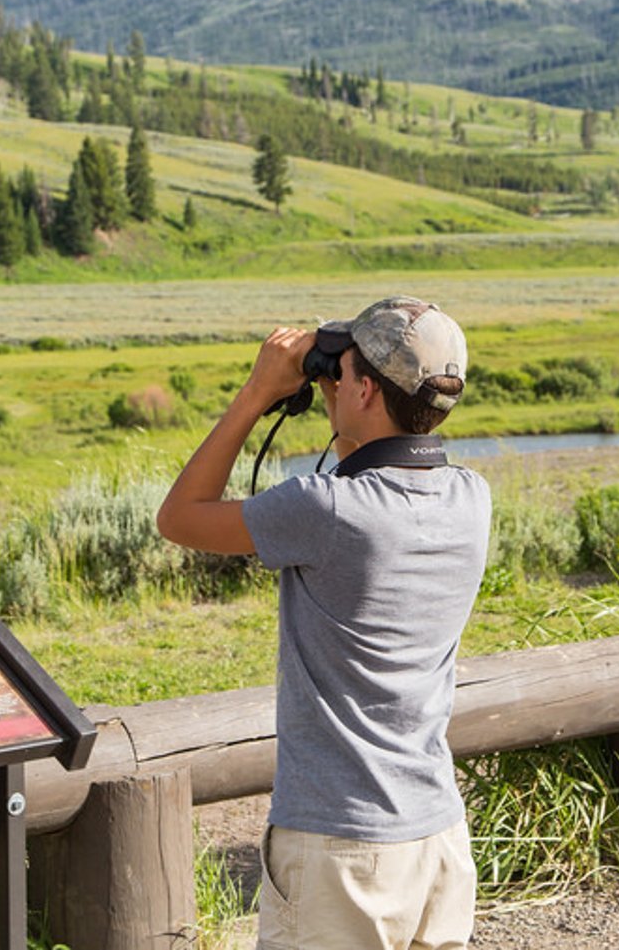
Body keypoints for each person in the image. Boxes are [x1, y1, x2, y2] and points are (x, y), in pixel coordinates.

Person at [157, 295, 489, 950]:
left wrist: (258, 392)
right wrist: (349, 413)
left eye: (342, 373)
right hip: (437, 836)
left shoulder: (324, 508)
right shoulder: (471, 497)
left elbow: (180, 516)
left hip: (342, 846)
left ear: (365, 387)